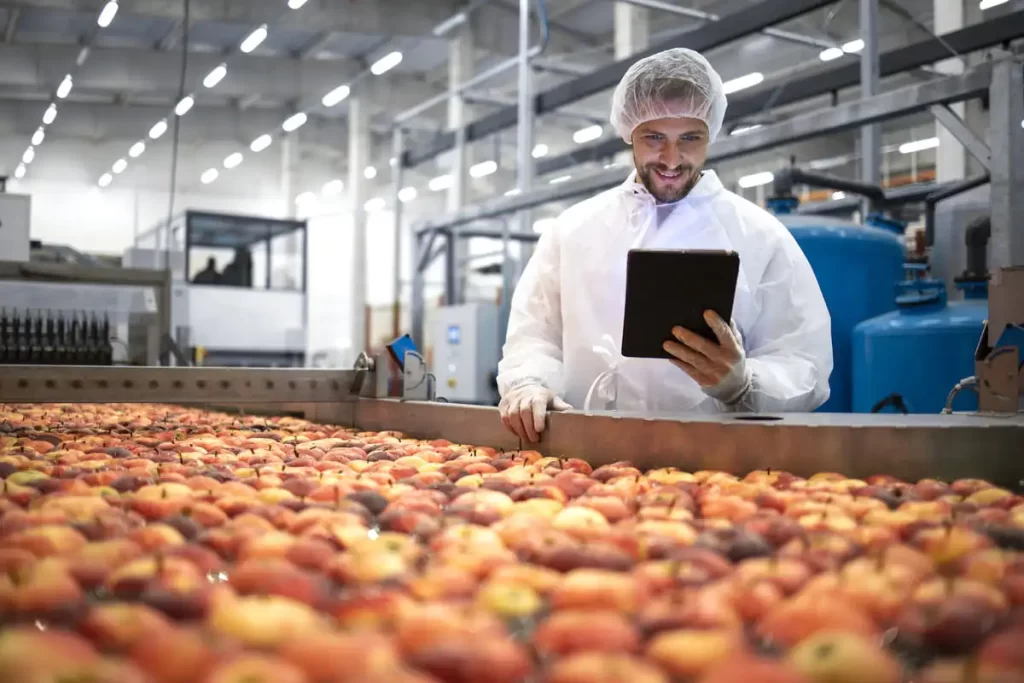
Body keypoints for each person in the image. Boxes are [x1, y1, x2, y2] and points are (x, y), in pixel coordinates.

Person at [496, 47, 833, 443]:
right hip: (586, 457)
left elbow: (803, 358)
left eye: (690, 138)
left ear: (710, 134)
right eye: (654, 137)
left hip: (711, 461)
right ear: (629, 135)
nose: (672, 159)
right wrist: (529, 383)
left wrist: (743, 384)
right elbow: (536, 334)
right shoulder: (572, 230)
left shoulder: (760, 235)